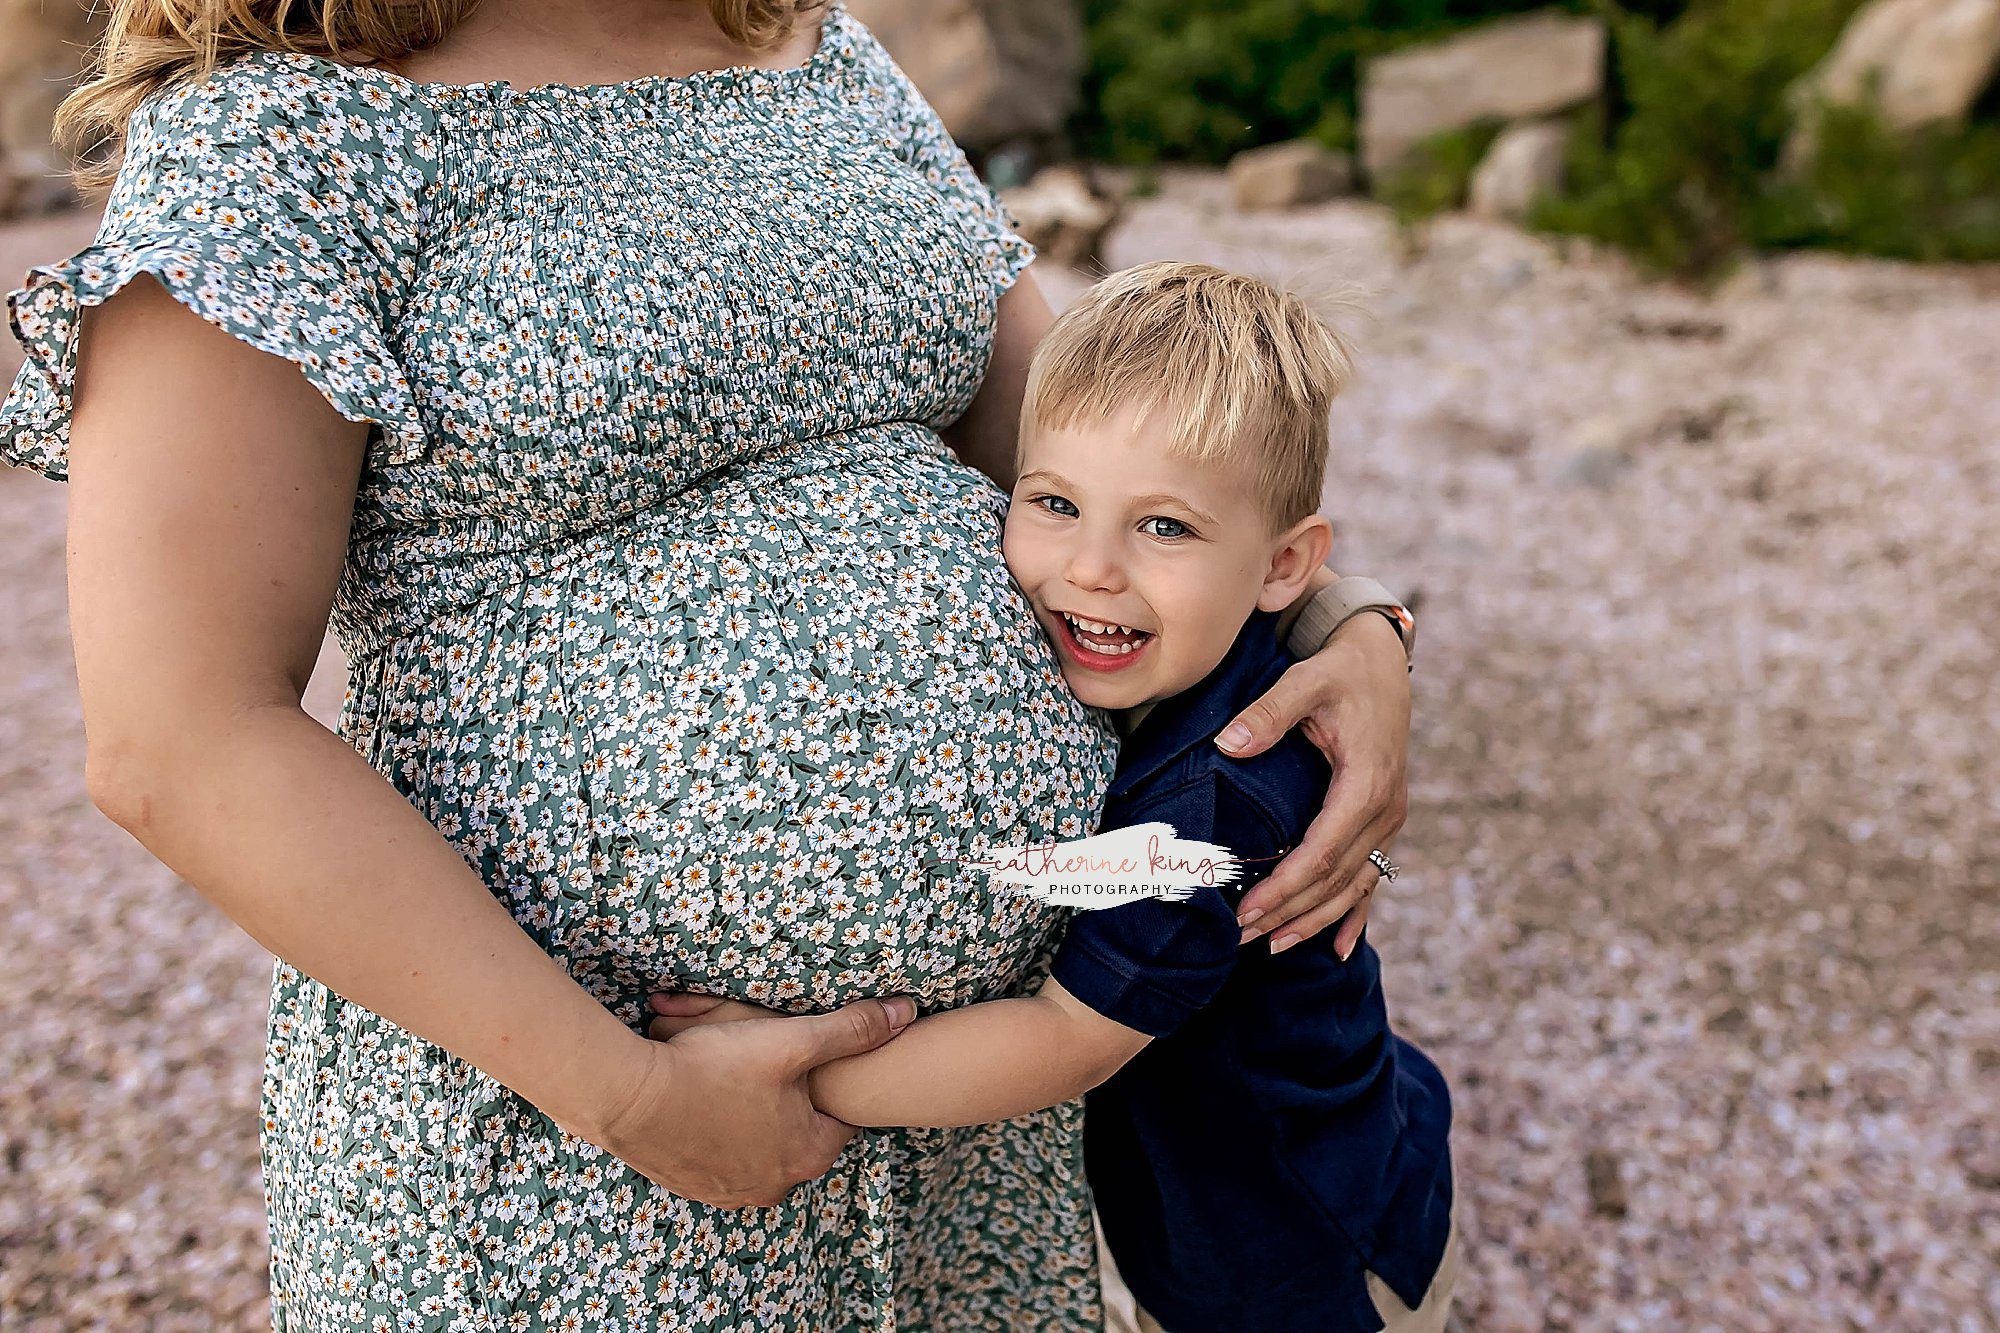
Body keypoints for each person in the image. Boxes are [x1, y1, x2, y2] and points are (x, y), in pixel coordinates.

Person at [1, 1, 1418, 1327]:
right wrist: (631, 1094)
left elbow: (1091, 446)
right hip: (569, 1141)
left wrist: (1341, 621)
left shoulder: (813, 50)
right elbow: (178, 736)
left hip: (966, 1139)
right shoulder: (278, 142)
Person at [650, 263, 1456, 1331]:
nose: (1090, 567)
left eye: (1162, 528)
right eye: (1053, 502)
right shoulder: (1206, 654)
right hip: (1333, 1143)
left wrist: (801, 1077)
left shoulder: (1205, 803)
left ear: (1281, 566)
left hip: (1296, 1256)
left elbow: (1062, 1038)